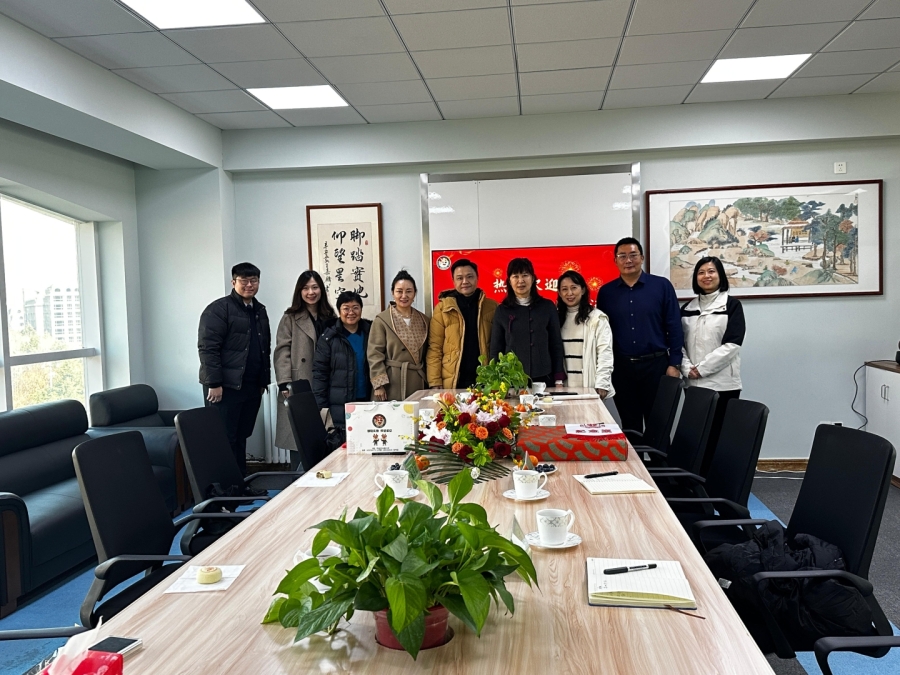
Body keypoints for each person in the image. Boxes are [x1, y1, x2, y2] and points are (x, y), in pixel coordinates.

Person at [596, 237, 683, 433]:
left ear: (642, 257)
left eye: (633, 255)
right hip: (622, 369)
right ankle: (635, 455)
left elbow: (674, 326)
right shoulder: (606, 293)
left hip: (656, 366)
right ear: (615, 261)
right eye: (622, 256)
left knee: (658, 425)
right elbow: (602, 334)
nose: (628, 260)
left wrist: (675, 363)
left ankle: (659, 456)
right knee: (630, 426)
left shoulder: (661, 286)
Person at [198, 262, 271, 474]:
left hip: (250, 385)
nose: (249, 285)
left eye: (254, 280)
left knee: (242, 435)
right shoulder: (219, 309)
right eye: (244, 280)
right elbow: (208, 348)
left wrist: (263, 381)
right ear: (233, 282)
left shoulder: (259, 310)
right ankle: (225, 487)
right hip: (225, 387)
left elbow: (264, 347)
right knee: (224, 438)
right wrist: (214, 383)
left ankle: (241, 484)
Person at [680, 256, 745, 474]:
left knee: (719, 435)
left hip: (723, 384)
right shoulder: (687, 308)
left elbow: (733, 344)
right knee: (695, 434)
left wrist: (702, 369)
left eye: (711, 271)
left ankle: (717, 481)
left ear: (720, 275)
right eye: (701, 272)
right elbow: (678, 343)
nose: (706, 276)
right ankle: (695, 479)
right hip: (693, 384)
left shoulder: (732, 306)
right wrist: (687, 368)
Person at [273, 271, 336, 450]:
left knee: (323, 434)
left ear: (321, 289)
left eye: (315, 287)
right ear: (299, 291)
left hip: (324, 381)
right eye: (306, 288)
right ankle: (298, 469)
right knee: (299, 437)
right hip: (299, 380)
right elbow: (282, 351)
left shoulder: (330, 317)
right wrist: (284, 383)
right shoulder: (290, 317)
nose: (311, 292)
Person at [490, 257, 565, 386]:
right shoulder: (502, 310)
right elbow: (496, 348)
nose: (521, 281)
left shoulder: (547, 307)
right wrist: (496, 381)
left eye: (525, 275)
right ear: (509, 281)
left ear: (533, 278)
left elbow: (556, 343)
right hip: (511, 379)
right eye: (515, 276)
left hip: (544, 375)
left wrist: (558, 377)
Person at [426, 258, 498, 389]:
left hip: (485, 380)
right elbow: (435, 348)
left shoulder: (492, 307)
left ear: (477, 278)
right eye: (459, 278)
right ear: (453, 281)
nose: (465, 281)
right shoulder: (442, 309)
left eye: (469, 276)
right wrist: (435, 381)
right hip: (454, 380)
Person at [312, 291, 372, 429]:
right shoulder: (329, 338)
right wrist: (321, 405)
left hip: (368, 400)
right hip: (339, 404)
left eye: (355, 308)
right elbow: (320, 373)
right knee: (343, 440)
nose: (351, 312)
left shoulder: (371, 333)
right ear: (339, 311)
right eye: (346, 308)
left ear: (361, 309)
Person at [369, 270, 429, 401]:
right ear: (393, 293)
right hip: (391, 381)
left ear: (415, 293)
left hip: (417, 380)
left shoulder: (424, 320)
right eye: (399, 291)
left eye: (409, 291)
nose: (404, 296)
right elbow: (374, 354)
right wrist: (378, 385)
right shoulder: (382, 320)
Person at [557, 270, 615, 399]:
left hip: (590, 385)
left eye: (574, 288)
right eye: (564, 289)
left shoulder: (597, 318)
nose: (569, 293)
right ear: (560, 293)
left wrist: (602, 383)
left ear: (583, 290)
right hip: (563, 388)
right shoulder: (556, 318)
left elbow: (605, 352)